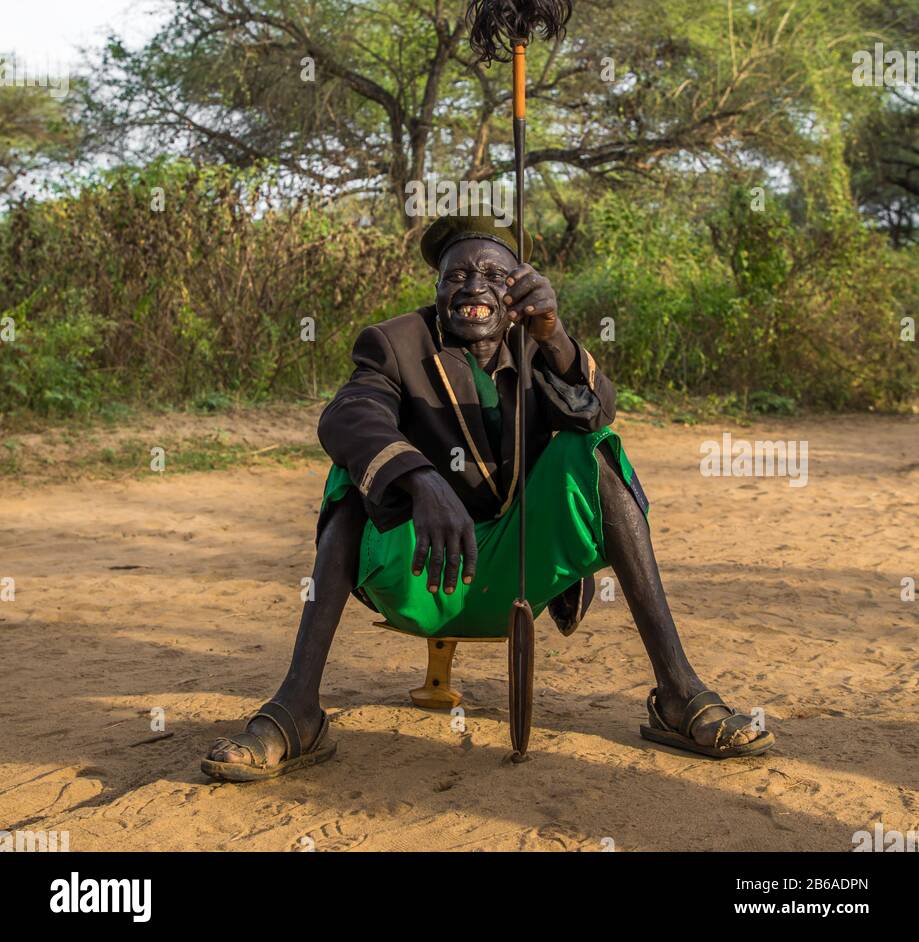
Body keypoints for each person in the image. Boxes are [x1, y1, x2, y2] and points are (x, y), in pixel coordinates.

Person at [202, 214, 773, 781]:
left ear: (517, 292)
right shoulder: (394, 343)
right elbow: (350, 416)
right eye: (457, 276)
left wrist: (554, 335)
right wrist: (421, 479)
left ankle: (677, 693)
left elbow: (595, 408)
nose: (473, 286)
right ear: (437, 289)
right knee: (351, 477)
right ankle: (297, 710)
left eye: (493, 276)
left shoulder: (536, 345)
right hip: (421, 570)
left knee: (595, 450)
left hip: (517, 572)